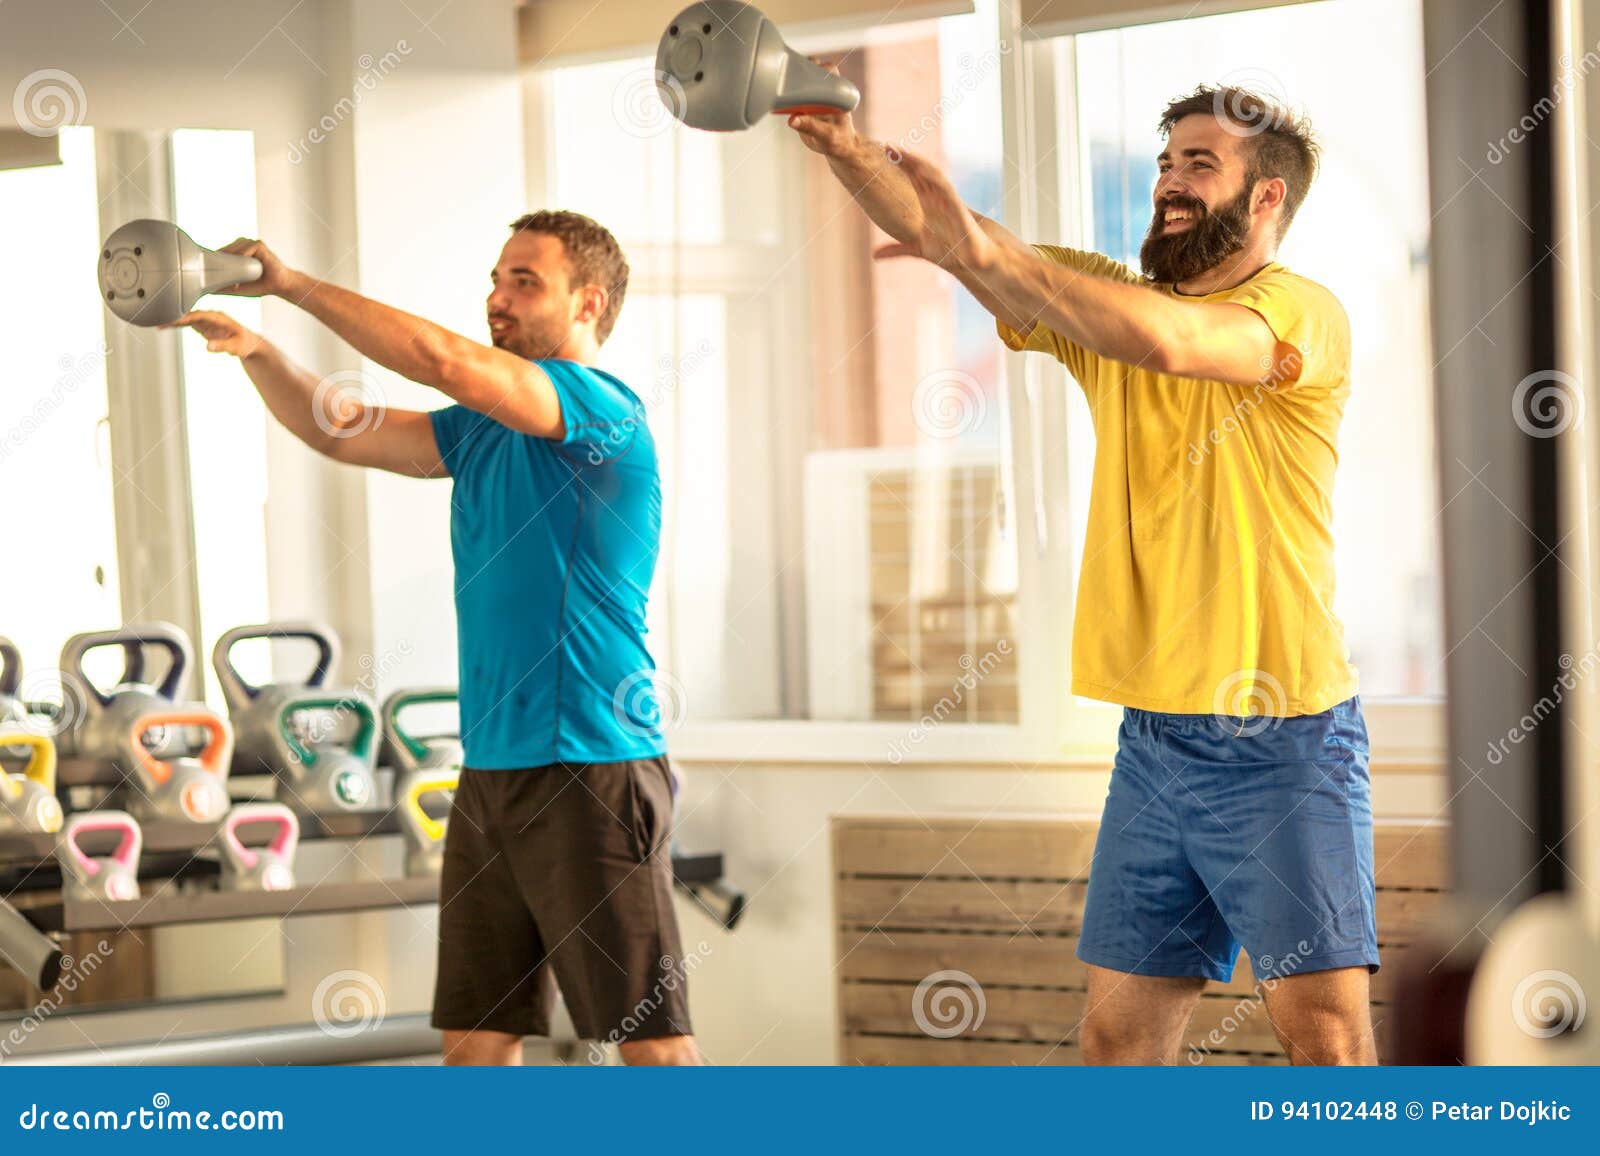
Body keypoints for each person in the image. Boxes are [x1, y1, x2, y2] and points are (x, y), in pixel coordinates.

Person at [791, 84, 1375, 1065]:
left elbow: (1170, 340)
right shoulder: (1107, 310)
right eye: (1164, 163)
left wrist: (984, 253)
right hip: (1153, 740)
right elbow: (946, 226)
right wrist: (844, 150)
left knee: (1320, 1034)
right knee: (1115, 1035)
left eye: (1199, 164)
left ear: (1266, 198)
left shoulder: (1293, 312)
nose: (1169, 183)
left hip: (1280, 737)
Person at [167, 210, 700, 1066]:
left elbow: (445, 361)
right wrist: (259, 351)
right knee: (474, 1042)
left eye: (525, 281)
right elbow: (344, 430)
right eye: (495, 279)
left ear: (590, 302)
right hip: (494, 773)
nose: (498, 298)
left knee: (653, 1049)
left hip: (591, 764)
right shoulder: (484, 428)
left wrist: (292, 283)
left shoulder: (601, 411)